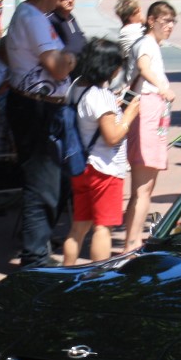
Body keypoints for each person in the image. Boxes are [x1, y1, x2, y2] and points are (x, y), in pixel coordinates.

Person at [3, 0, 76, 268]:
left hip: (37, 105)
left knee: (53, 180)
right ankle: (34, 257)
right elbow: (58, 67)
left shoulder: (28, 16)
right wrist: (72, 56)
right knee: (41, 182)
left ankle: (37, 249)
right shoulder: (33, 19)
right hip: (36, 107)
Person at [62, 40, 141, 266]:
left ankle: (66, 273)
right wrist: (128, 115)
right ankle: (99, 277)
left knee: (78, 226)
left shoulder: (76, 86)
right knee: (102, 228)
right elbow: (112, 136)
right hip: (103, 168)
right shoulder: (100, 94)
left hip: (81, 164)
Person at [120, 0, 177, 252]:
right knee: (142, 188)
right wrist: (163, 88)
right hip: (148, 114)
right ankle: (132, 243)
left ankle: (132, 240)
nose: (170, 26)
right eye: (165, 21)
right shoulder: (145, 44)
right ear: (152, 21)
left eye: (172, 21)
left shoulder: (152, 44)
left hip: (154, 116)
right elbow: (143, 68)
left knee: (145, 188)